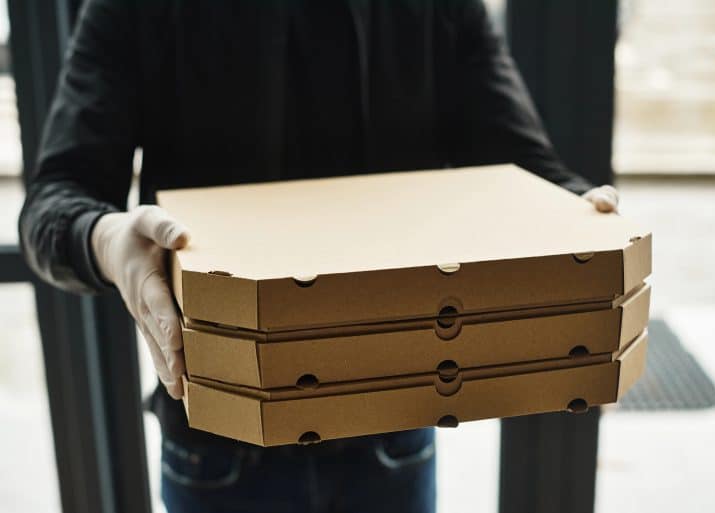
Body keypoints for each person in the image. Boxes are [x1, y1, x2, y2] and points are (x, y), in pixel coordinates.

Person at [18, 1, 619, 512]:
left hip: (395, 417)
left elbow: (520, 162)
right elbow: (54, 203)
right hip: (221, 436)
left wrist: (572, 211)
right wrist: (106, 240)